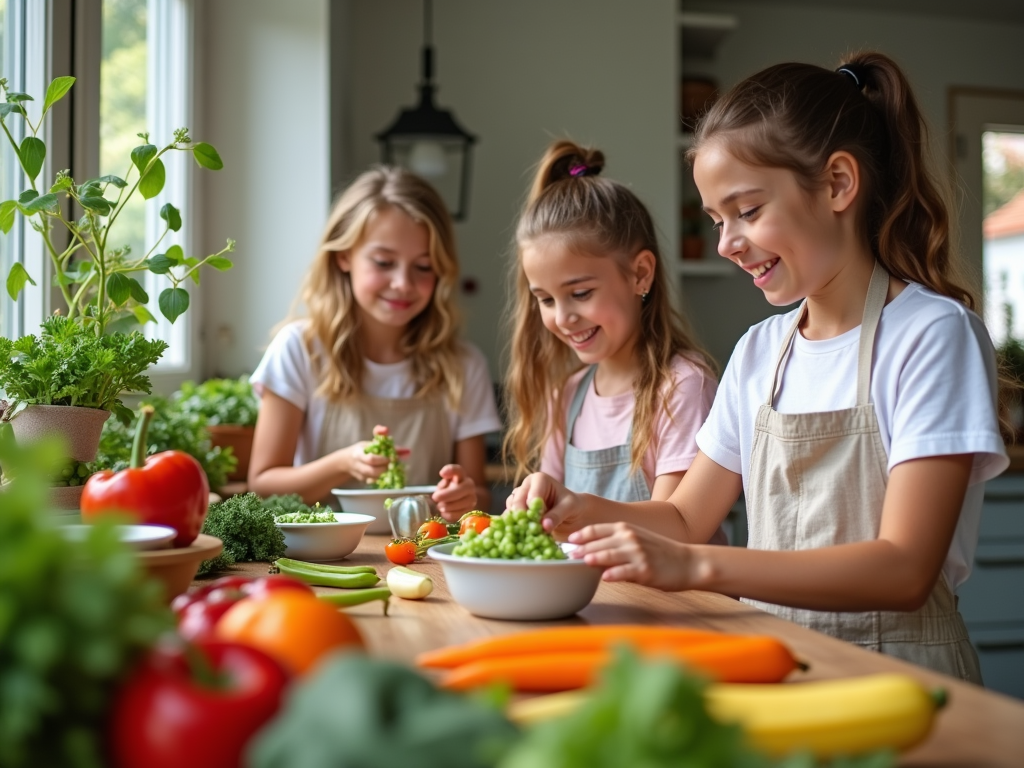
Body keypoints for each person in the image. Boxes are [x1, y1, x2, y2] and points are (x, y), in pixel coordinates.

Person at [509, 53, 1009, 681]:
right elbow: (687, 517)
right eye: (716, 220)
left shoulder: (933, 336)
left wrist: (698, 567)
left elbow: (904, 569)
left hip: (904, 677)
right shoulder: (760, 352)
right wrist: (579, 505)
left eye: (747, 211)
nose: (726, 243)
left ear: (836, 184)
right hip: (775, 666)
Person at [248, 166, 501, 519]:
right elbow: (263, 484)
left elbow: (480, 498)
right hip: (326, 562)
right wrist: (342, 463)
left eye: (424, 267)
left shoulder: (464, 366)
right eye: (384, 262)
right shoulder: (299, 349)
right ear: (344, 256)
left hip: (421, 557)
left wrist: (463, 496)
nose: (403, 283)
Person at [503, 139, 719, 523]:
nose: (564, 317)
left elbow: (677, 524)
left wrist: (579, 512)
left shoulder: (681, 386)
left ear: (640, 274)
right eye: (546, 300)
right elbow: (548, 525)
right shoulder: (566, 397)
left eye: (580, 293)